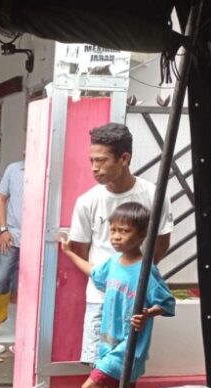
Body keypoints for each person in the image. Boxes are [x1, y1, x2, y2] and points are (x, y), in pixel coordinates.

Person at [61, 202, 176, 388]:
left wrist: (147, 313)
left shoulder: (147, 270)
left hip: (129, 347)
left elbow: (167, 302)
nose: (116, 237)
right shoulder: (113, 263)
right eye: (113, 230)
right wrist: (70, 253)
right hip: (107, 344)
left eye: (124, 231)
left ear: (142, 234)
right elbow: (94, 273)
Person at [68, 122, 174, 365]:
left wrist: (136, 276)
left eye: (101, 161)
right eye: (92, 160)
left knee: (126, 370)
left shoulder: (152, 195)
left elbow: (161, 242)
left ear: (124, 158)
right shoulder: (87, 201)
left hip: (133, 300)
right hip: (100, 298)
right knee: (97, 370)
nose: (94, 168)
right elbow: (80, 250)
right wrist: (108, 279)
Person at [0, 157, 24, 333]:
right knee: (1, 278)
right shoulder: (14, 169)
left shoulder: (47, 171)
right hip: (12, 234)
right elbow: (0, 199)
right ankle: (0, 313)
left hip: (38, 238)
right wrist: (3, 230)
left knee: (32, 283)